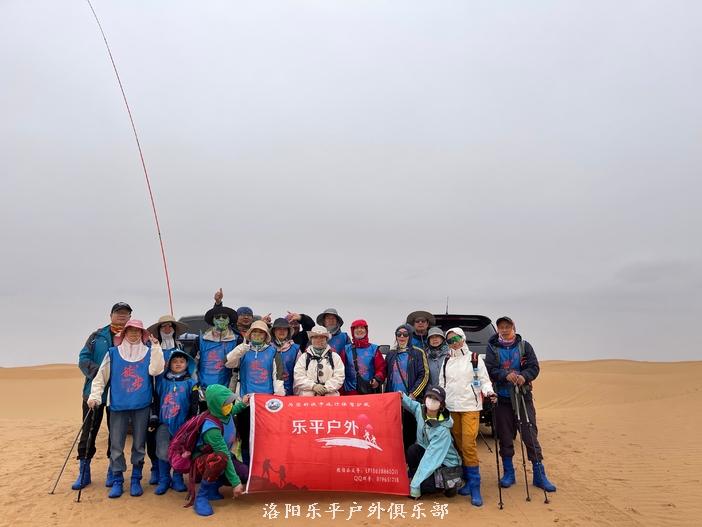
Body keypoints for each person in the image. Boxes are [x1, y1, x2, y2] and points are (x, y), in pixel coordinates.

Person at [87, 320, 165, 498]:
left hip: (141, 405)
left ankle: (136, 479)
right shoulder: (113, 353)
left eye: (137, 331)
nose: (134, 334)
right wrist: (95, 396)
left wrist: (156, 347)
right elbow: (101, 377)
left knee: (139, 444)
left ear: (142, 333)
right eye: (130, 330)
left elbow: (156, 370)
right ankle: (117, 480)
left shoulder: (148, 352)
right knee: (116, 444)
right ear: (124, 333)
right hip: (118, 405)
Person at [484, 316, 557, 493]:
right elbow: (490, 369)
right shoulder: (492, 347)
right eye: (501, 327)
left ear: (513, 327)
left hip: (523, 397)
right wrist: (504, 375)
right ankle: (509, 473)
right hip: (502, 398)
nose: (504, 330)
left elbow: (534, 367)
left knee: (529, 433)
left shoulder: (524, 346)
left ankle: (539, 475)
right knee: (505, 435)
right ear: (498, 329)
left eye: (507, 326)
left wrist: (525, 376)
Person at [72, 301, 131, 490]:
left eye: (125, 313)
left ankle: (113, 470)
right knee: (89, 432)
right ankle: (84, 471)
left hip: (120, 394)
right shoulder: (97, 336)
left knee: (116, 433)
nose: (122, 316)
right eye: (118, 312)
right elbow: (83, 359)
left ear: (130, 317)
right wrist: (101, 373)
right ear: (111, 315)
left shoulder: (133, 336)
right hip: (94, 392)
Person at [439, 327, 496, 506]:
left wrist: (489, 392)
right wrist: (440, 401)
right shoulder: (446, 360)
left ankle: (475, 486)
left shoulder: (474, 358)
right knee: (458, 443)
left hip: (470, 406)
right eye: (450, 340)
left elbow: (484, 380)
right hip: (452, 407)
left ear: (463, 338)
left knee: (468, 444)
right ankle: (467, 480)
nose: (454, 343)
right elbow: (442, 383)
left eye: (456, 338)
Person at [225, 320, 285, 464]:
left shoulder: (273, 352)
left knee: (265, 436)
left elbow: (278, 376)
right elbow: (228, 362)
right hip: (245, 400)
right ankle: (246, 466)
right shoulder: (243, 351)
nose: (257, 335)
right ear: (250, 334)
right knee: (245, 435)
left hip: (266, 402)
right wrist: (242, 348)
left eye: (261, 333)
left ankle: (264, 465)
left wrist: (278, 399)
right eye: (254, 332)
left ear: (266, 336)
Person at [145, 314, 190, 486]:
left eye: (170, 325)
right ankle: (156, 469)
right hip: (156, 393)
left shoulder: (180, 346)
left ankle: (176, 474)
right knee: (154, 436)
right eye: (163, 326)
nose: (167, 329)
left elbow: (186, 366)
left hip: (177, 393)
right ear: (159, 329)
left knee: (178, 442)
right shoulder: (150, 346)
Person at [191, 384, 249, 516]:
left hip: (222, 457)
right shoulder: (211, 428)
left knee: (244, 474)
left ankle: (213, 486)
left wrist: (243, 403)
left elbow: (233, 410)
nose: (229, 405)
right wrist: (235, 483)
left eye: (230, 401)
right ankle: (201, 497)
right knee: (220, 459)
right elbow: (224, 454)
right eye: (226, 403)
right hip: (204, 462)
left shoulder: (224, 413)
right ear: (217, 405)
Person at [401, 386, 462, 500]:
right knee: (413, 450)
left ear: (441, 405)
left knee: (424, 486)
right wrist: (401, 397)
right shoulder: (421, 410)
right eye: (429, 397)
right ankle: (420, 479)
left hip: (445, 464)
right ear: (425, 399)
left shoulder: (442, 430)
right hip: (428, 453)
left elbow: (430, 459)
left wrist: (415, 485)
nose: (432, 400)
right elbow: (412, 405)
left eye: (436, 399)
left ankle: (449, 485)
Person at [153, 350, 199, 495]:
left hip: (182, 424)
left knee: (180, 451)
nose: (178, 364)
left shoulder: (191, 383)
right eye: (174, 361)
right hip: (164, 422)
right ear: (169, 364)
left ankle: (177, 478)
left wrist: (191, 422)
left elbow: (194, 404)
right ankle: (164, 479)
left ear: (187, 364)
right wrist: (154, 417)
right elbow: (156, 400)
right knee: (162, 450)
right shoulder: (162, 381)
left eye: (181, 361)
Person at [384, 324, 429, 450]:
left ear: (410, 336)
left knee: (410, 431)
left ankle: (409, 458)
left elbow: (424, 375)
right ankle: (396, 457)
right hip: (394, 399)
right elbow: (384, 373)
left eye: (405, 334)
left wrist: (414, 394)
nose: (402, 337)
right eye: (399, 334)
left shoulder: (417, 352)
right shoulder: (391, 354)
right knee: (394, 431)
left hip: (410, 399)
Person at [197, 301, 239, 392]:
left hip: (225, 389)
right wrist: (196, 387)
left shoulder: (236, 340)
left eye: (224, 317)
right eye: (217, 317)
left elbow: (237, 368)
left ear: (228, 320)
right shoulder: (201, 339)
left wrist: (231, 390)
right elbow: (194, 364)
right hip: (203, 388)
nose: (221, 319)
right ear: (213, 320)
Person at [293, 325, 345, 397]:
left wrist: (326, 388)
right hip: (308, 398)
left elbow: (339, 377)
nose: (319, 339)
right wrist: (313, 386)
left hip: (330, 397)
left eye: (322, 337)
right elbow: (298, 376)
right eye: (315, 337)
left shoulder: (335, 357)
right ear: (311, 339)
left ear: (326, 339)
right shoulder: (304, 357)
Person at [341, 319, 386, 395]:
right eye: (356, 328)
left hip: (369, 391)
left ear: (366, 330)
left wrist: (377, 379)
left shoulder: (374, 349)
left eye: (362, 328)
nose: (359, 330)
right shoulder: (346, 350)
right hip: (349, 393)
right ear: (352, 331)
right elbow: (340, 371)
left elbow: (382, 368)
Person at [270, 317, 301, 396]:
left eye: (285, 329)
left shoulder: (296, 349)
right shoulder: (267, 348)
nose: (282, 331)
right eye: (279, 329)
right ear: (274, 331)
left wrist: (297, 392)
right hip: (269, 390)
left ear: (288, 331)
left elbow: (299, 372)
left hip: (290, 391)